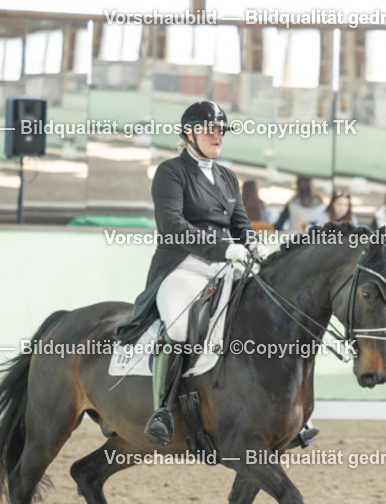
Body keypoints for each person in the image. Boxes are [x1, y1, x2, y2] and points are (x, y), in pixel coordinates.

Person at [113, 100, 269, 446]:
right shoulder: (171, 172)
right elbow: (172, 225)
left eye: (220, 131)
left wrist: (256, 247)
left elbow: (241, 224)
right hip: (181, 266)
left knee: (259, 315)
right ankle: (162, 411)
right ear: (188, 133)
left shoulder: (228, 176)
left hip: (224, 267)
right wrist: (222, 247)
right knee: (181, 327)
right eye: (209, 129)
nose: (217, 136)